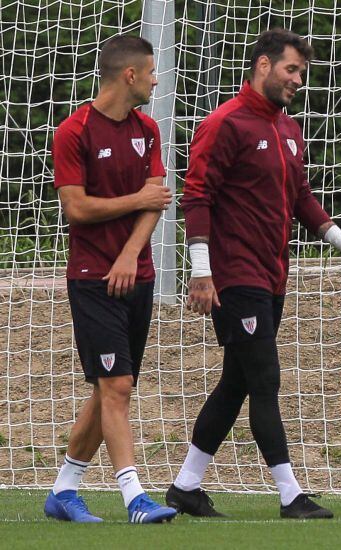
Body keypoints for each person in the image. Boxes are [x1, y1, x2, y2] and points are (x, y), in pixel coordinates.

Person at [166, 28, 341, 519]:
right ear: (263, 65)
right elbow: (197, 196)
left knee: (236, 382)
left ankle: (186, 486)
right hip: (234, 276)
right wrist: (202, 271)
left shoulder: (288, 129)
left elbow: (300, 197)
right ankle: (289, 494)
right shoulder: (224, 123)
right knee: (265, 378)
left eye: (302, 72)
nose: (298, 80)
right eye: (291, 69)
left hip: (272, 275)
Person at [46, 35, 177, 523]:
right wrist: (136, 201)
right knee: (117, 385)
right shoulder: (73, 131)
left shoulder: (148, 129)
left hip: (136, 274)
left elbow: (156, 200)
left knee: (109, 388)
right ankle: (135, 498)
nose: (156, 81)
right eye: (151, 72)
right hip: (92, 279)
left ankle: (64, 490)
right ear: (130, 75)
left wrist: (129, 254)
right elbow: (76, 208)